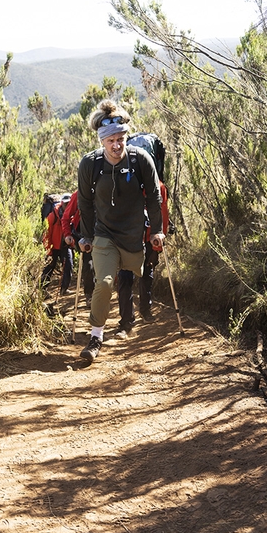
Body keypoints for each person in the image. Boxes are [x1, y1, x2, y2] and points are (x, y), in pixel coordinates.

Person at [77, 99, 165, 362]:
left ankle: (131, 320)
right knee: (104, 283)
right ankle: (95, 337)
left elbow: (154, 196)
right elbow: (84, 201)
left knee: (132, 277)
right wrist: (86, 235)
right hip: (105, 234)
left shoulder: (141, 160)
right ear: (102, 142)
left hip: (133, 235)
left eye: (120, 139)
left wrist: (157, 231)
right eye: (110, 141)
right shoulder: (89, 164)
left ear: (126, 138)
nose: (116, 145)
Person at [116, 180, 169, 338]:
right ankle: (126, 322)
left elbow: (163, 214)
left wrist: (157, 249)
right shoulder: (123, 180)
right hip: (127, 237)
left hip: (150, 237)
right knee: (125, 277)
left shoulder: (159, 186)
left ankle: (145, 311)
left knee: (147, 274)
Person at [62, 189, 95, 307]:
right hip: (83, 236)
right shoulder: (78, 195)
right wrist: (67, 234)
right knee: (88, 265)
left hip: (102, 234)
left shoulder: (106, 188)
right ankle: (89, 295)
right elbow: (65, 217)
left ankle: (97, 293)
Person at [41, 193, 74, 296]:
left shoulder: (72, 216)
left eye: (69, 203)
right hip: (52, 247)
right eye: (66, 203)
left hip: (65, 246)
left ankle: (64, 289)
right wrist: (48, 250)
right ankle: (42, 290)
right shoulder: (52, 216)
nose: (67, 205)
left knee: (69, 264)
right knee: (49, 268)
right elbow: (46, 234)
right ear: (62, 203)